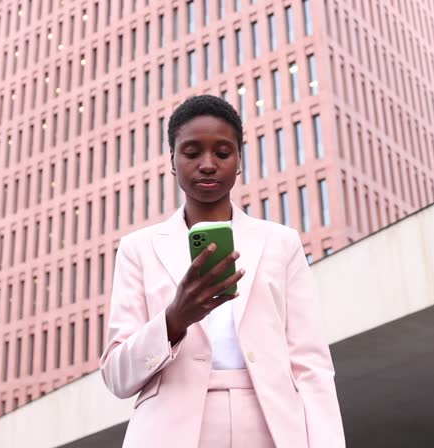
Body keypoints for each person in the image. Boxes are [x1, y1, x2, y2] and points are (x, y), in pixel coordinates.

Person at [100, 95, 345, 447]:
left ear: (239, 161)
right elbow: (117, 377)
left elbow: (310, 365)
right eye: (192, 152)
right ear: (172, 160)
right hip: (171, 431)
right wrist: (173, 320)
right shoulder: (138, 249)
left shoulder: (282, 243)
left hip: (270, 426)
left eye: (223, 152)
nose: (208, 164)